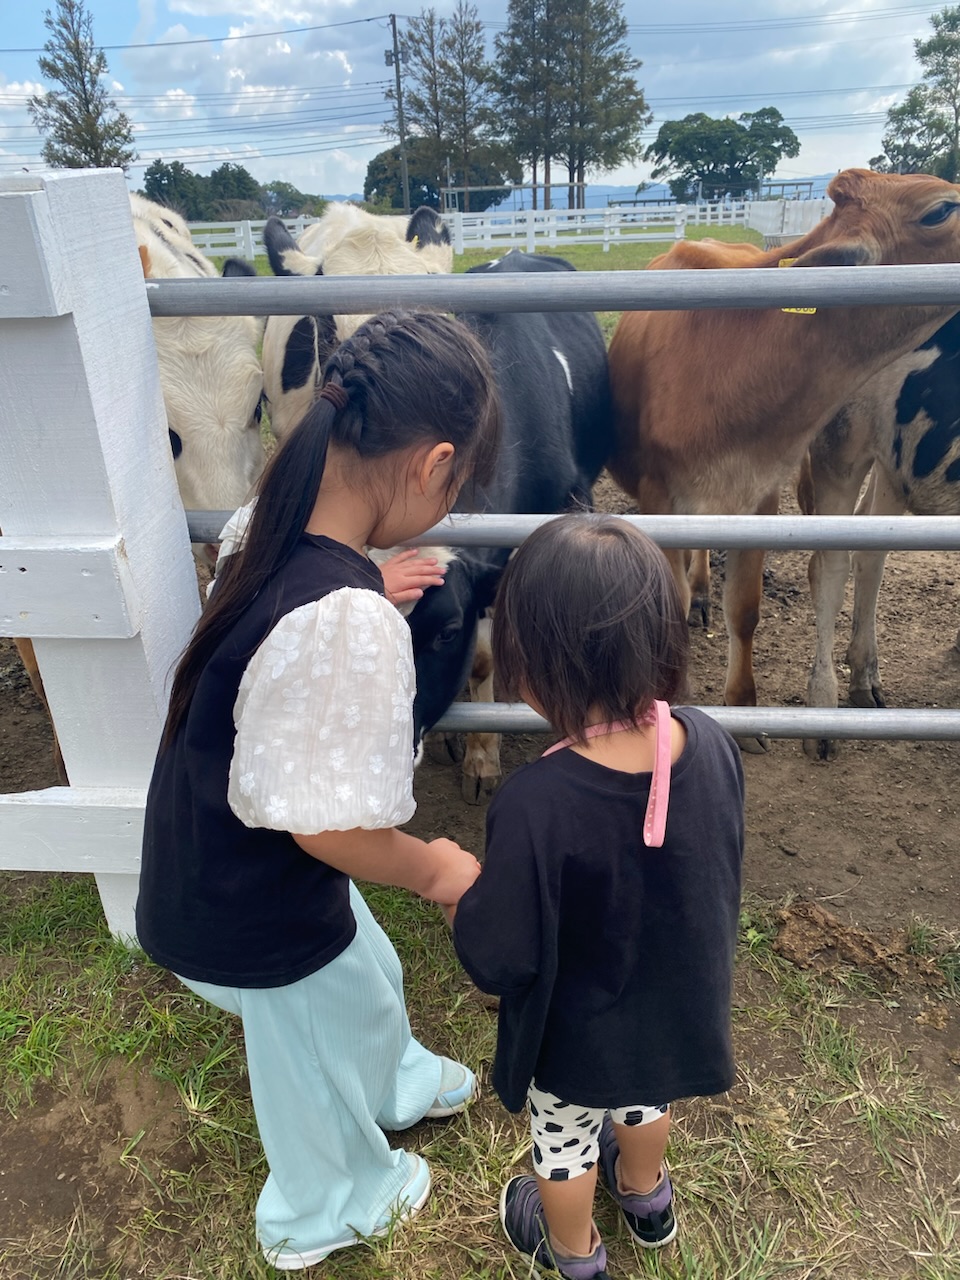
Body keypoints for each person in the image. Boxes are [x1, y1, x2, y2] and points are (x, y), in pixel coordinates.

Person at [136, 310, 502, 1271]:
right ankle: (326, 1200)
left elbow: (276, 635)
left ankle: (394, 1077)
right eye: (457, 487)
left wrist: (365, 596)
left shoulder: (272, 526)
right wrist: (435, 870)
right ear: (431, 464)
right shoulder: (341, 621)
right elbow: (331, 830)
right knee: (300, 1048)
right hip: (240, 904)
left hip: (215, 852)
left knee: (363, 968)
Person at [451, 515, 745, 1280]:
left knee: (565, 1140)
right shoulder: (710, 743)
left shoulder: (536, 801)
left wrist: (461, 900)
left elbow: (502, 954)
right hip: (673, 1009)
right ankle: (647, 1198)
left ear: (533, 665)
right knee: (646, 1102)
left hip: (575, 1037)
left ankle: (573, 1251)